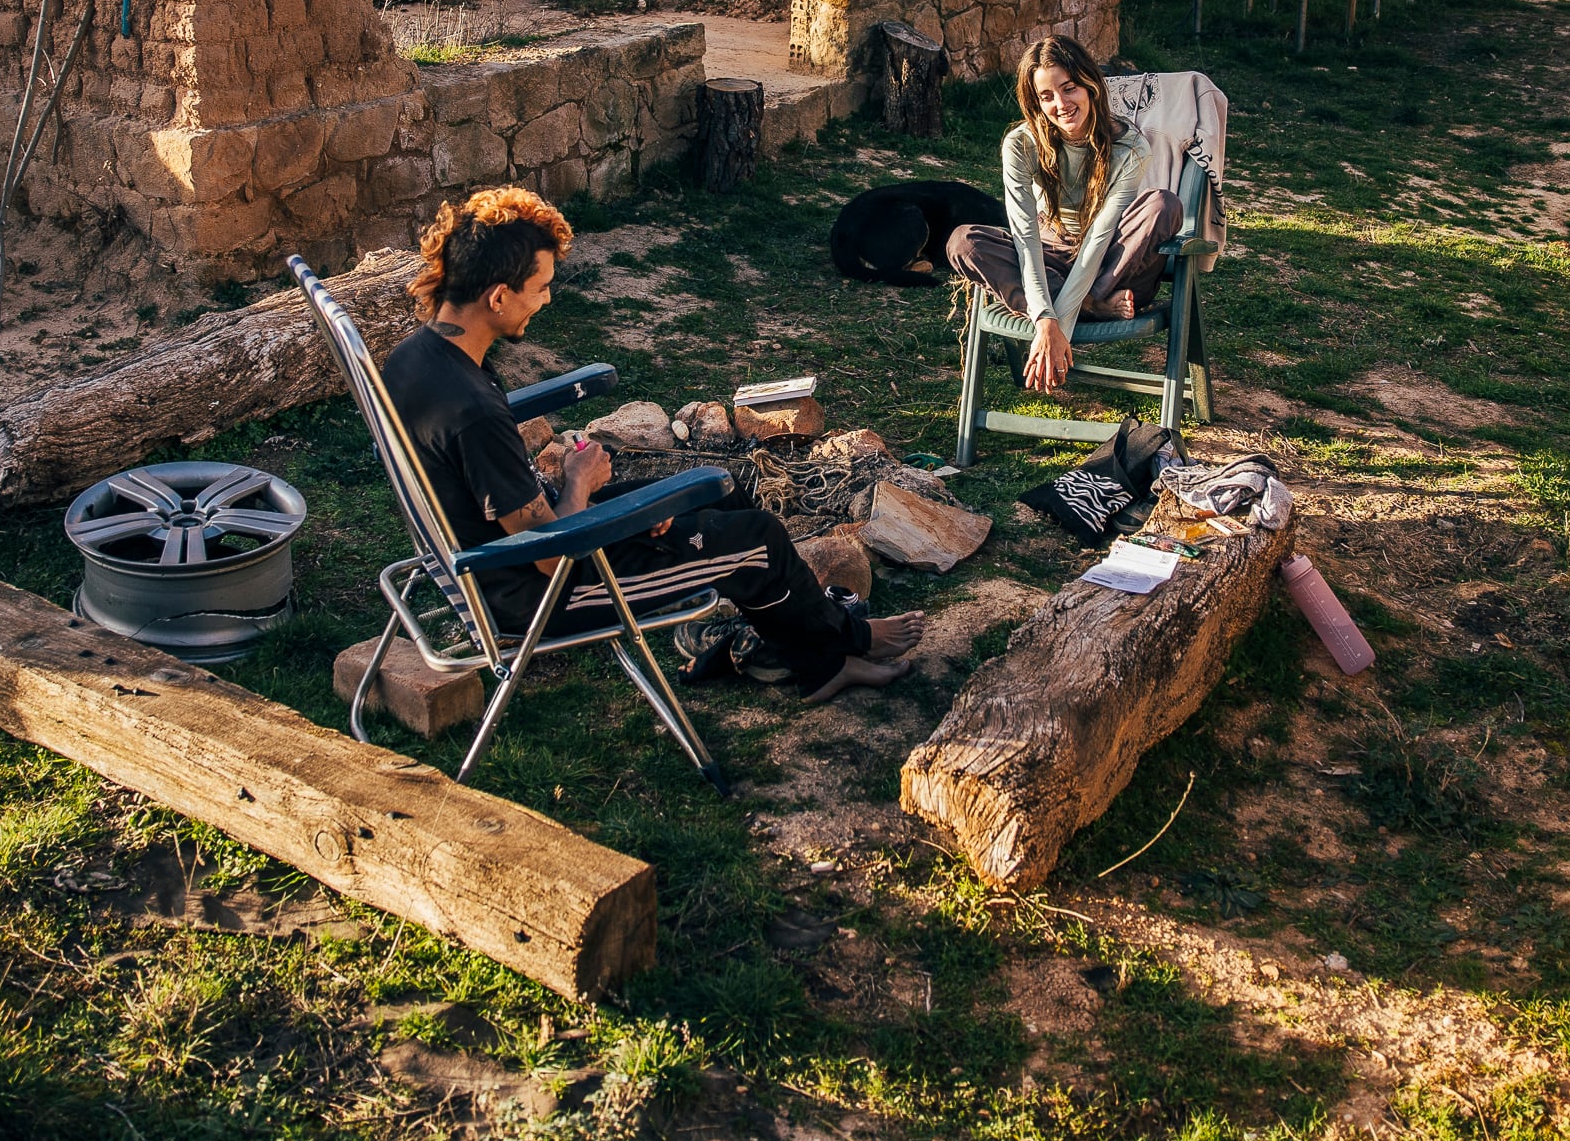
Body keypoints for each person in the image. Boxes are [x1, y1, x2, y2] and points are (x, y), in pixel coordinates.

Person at [381, 186, 924, 700]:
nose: (545, 300)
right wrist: (578, 483)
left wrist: (629, 512)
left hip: (500, 553)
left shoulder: (415, 359)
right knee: (758, 539)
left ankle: (803, 642)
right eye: (541, 286)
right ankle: (835, 655)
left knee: (719, 493)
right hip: (541, 594)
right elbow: (549, 558)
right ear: (498, 295)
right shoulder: (473, 413)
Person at [945, 37, 1182, 396]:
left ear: (1090, 85)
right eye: (1047, 96)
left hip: (1113, 265)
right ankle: (1091, 307)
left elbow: (1101, 236)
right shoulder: (1021, 145)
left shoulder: (1129, 145)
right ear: (1035, 101)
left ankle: (1082, 302)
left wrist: (1064, 324)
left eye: (1068, 88)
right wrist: (1046, 319)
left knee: (1162, 205)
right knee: (963, 241)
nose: (1061, 104)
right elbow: (1025, 240)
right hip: (1049, 255)